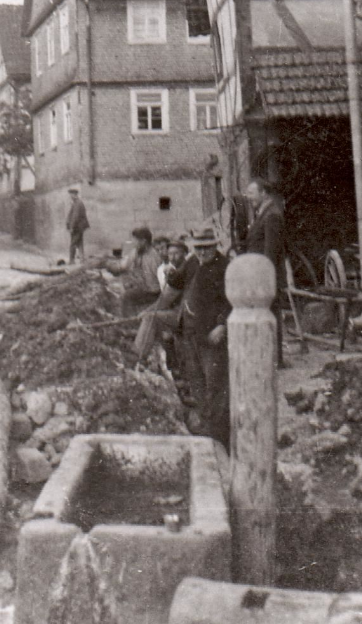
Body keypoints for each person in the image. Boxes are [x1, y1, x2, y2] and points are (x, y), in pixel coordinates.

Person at [166, 227, 231, 449]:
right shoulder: (193, 262)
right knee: (196, 382)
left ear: (215, 246)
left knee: (216, 386)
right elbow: (176, 282)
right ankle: (206, 429)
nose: (202, 253)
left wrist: (222, 324)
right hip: (190, 333)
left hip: (211, 335)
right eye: (198, 248)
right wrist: (171, 270)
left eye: (206, 248)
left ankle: (220, 439)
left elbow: (230, 300)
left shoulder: (225, 267)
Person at [244, 178, 286, 367]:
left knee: (270, 315)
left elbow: (270, 252)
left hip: (266, 277)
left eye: (251, 193)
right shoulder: (263, 213)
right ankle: (269, 356)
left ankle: (274, 359)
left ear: (263, 193)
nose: (248, 197)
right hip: (259, 275)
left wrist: (263, 279)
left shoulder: (272, 215)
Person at [114, 226, 162, 316]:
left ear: (143, 241)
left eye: (136, 241)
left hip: (153, 292)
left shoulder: (154, 257)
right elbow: (124, 265)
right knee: (125, 287)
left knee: (127, 297)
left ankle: (129, 323)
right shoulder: (137, 252)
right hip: (143, 287)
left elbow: (157, 283)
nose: (134, 244)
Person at [66, 189, 89, 264]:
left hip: (77, 227)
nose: (70, 196)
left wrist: (72, 227)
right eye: (70, 194)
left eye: (71, 194)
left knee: (73, 244)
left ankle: (71, 260)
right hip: (79, 227)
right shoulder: (76, 203)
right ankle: (82, 260)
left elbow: (75, 217)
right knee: (79, 243)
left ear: (75, 195)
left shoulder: (78, 203)